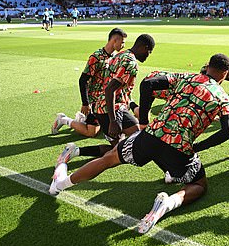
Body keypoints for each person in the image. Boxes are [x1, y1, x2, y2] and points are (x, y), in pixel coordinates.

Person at [49, 54, 229, 235]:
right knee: (199, 184)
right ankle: (168, 203)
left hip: (150, 136)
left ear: (208, 65)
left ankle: (60, 185)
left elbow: (148, 83)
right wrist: (198, 147)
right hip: (179, 146)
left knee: (109, 159)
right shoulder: (223, 97)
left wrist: (144, 121)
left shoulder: (187, 78)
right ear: (225, 74)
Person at [52, 34, 155, 165]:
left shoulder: (120, 55)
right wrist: (112, 120)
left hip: (101, 107)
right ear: (144, 47)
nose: (148, 55)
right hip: (113, 109)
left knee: (116, 149)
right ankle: (170, 171)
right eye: (149, 52)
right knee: (140, 137)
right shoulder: (130, 63)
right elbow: (110, 89)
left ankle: (75, 151)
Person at [51, 28, 127, 138]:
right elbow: (83, 80)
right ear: (115, 40)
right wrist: (85, 103)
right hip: (96, 101)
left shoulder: (116, 57)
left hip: (107, 99)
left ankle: (83, 119)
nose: (123, 45)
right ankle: (64, 120)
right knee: (92, 133)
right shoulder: (96, 57)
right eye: (122, 42)